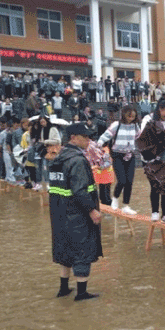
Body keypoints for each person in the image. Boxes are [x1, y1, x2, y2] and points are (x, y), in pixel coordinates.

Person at [49, 122, 103, 301]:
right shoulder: (78, 160)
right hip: (76, 214)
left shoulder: (58, 158)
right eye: (85, 137)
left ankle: (63, 289)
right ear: (73, 138)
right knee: (82, 250)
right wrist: (92, 211)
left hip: (58, 214)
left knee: (64, 250)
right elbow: (80, 190)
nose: (89, 140)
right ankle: (82, 293)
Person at [137, 99, 165, 223]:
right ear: (160, 109)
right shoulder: (148, 120)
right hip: (151, 158)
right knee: (155, 185)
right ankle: (155, 212)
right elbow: (144, 139)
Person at [97, 105, 141, 215]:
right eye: (129, 115)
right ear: (124, 114)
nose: (131, 118)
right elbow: (106, 135)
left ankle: (126, 205)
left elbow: (139, 138)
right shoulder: (117, 125)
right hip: (117, 155)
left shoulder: (135, 126)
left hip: (130, 155)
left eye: (133, 116)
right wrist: (99, 144)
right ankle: (115, 199)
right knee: (122, 180)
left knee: (129, 182)